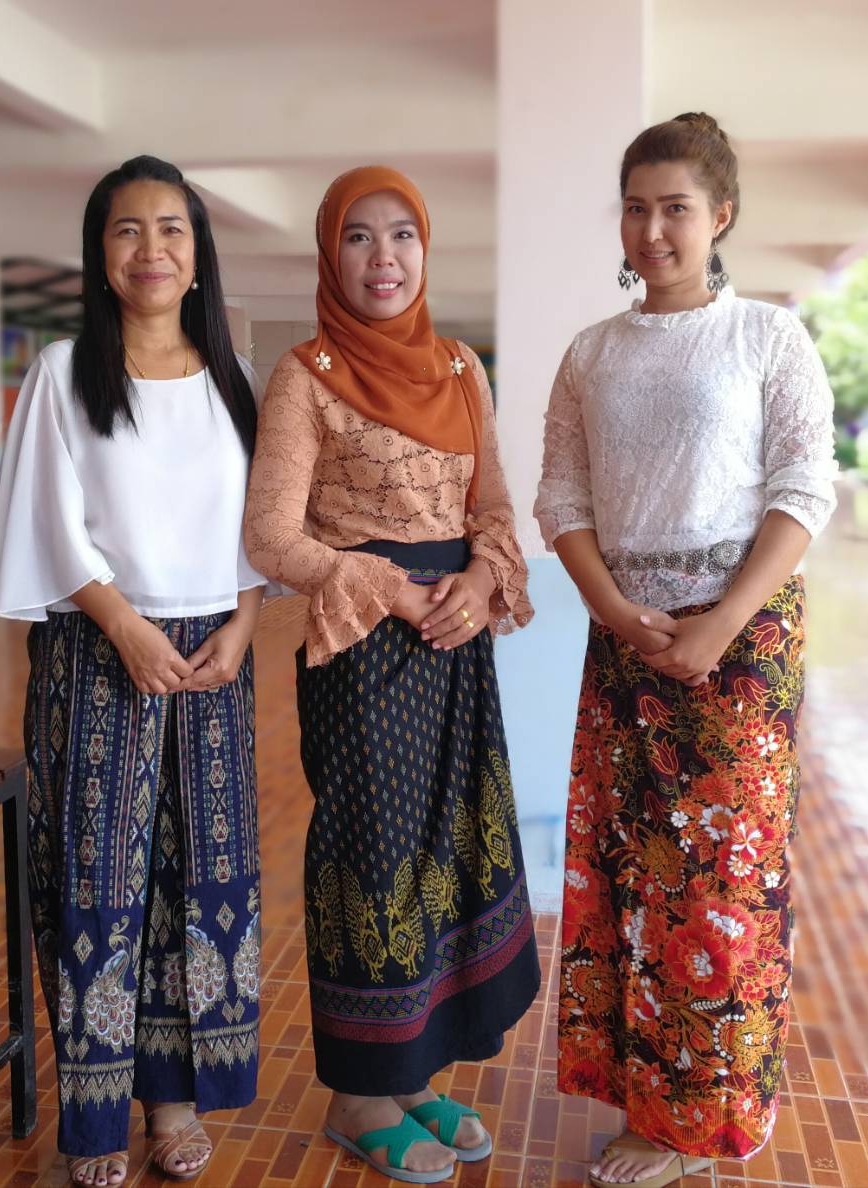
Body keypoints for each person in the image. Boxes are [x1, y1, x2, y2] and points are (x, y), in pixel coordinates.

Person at [534, 113, 838, 1188]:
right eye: (636, 207)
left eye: (675, 208)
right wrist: (614, 611)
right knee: (628, 871)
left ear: (721, 217)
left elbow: (805, 490)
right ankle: (644, 1101)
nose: (652, 230)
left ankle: (698, 1124)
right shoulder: (590, 353)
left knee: (720, 886)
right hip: (626, 643)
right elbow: (561, 497)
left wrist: (720, 624)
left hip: (740, 649)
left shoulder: (768, 337)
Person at [244, 166, 540, 1185]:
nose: (384, 257)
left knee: (445, 853)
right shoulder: (304, 375)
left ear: (425, 249)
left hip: (456, 647)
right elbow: (271, 536)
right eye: (359, 236)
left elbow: (492, 507)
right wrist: (396, 592)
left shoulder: (460, 368)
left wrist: (483, 579)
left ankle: (414, 1076)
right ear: (331, 254)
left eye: (402, 234)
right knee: (373, 860)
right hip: (365, 653)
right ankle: (360, 1095)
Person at [0, 155, 264, 1186]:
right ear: (100, 254)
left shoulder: (235, 380)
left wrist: (242, 627)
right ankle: (97, 1117)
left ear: (198, 253)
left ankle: (173, 1103)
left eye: (171, 229)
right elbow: (46, 522)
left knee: (201, 884)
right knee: (97, 883)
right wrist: (125, 627)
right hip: (96, 658)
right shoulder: (63, 373)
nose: (151, 249)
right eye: (127, 230)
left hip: (213, 662)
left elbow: (258, 528)